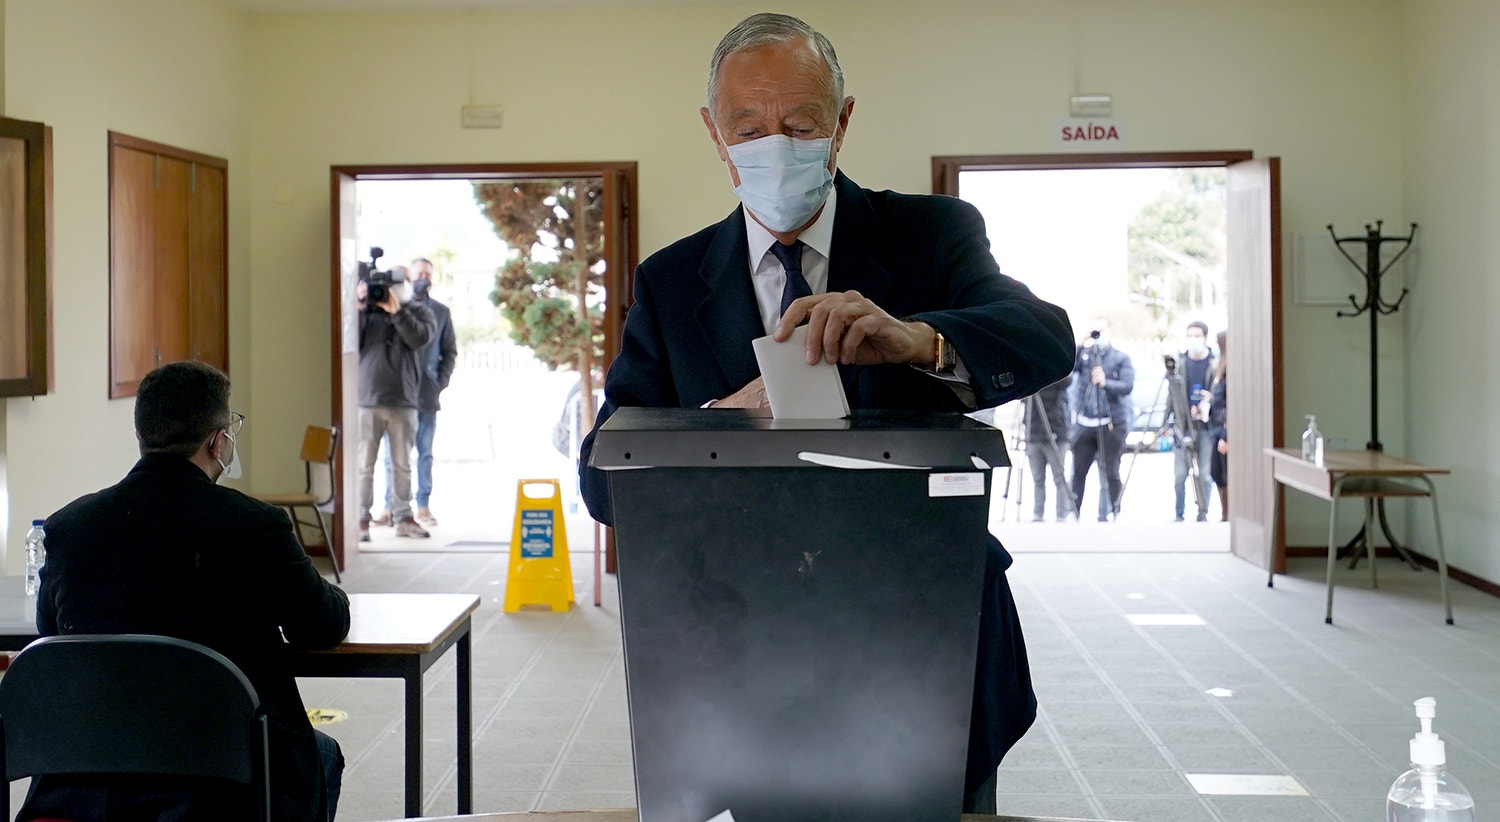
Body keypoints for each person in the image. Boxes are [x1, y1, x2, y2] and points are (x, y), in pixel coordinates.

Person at [576, 13, 1074, 812]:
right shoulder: (672, 282)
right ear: (715, 134)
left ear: (841, 123)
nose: (775, 144)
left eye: (801, 124)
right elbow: (604, 479)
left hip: (929, 634)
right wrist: (724, 417)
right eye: (749, 127)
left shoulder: (930, 236)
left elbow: (1042, 339)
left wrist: (916, 340)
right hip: (744, 648)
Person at [27, 360, 350, 822]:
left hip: (95, 776)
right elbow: (323, 624)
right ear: (218, 441)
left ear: (142, 437)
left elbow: (52, 637)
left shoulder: (68, 528)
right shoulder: (254, 525)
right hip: (230, 778)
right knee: (319, 755)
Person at [373, 257, 457, 527]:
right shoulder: (392, 306)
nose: (423, 277)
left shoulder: (441, 312)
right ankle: (390, 507)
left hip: (426, 395)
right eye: (418, 273)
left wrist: (439, 382)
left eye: (427, 274)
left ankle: (422, 506)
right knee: (393, 456)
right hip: (398, 393)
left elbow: (450, 351)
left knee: (424, 453)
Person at [357, 263, 436, 541]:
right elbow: (348, 339)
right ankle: (360, 520)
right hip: (367, 400)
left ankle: (403, 517)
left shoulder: (417, 311)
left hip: (404, 400)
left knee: (402, 465)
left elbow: (420, 338)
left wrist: (398, 312)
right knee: (364, 465)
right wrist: (358, 305)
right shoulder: (365, 312)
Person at [1069, 318, 1133, 521]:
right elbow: (1068, 366)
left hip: (1111, 423)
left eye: (1101, 331)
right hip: (1085, 421)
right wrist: (1081, 340)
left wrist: (1106, 383)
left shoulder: (1120, 358)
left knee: (1111, 471)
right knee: (1078, 471)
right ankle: (1074, 511)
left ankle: (1113, 511)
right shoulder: (1085, 355)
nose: (1098, 335)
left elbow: (1127, 386)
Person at [1170, 320, 1216, 522]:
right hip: (1183, 425)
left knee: (1205, 474)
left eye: (1198, 336)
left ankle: (1203, 513)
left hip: (1206, 426)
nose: (1194, 340)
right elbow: (1171, 395)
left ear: (1205, 337)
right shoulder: (1180, 363)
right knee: (1180, 475)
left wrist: (1209, 400)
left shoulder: (1214, 364)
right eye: (1191, 336)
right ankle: (1179, 514)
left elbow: (1221, 393)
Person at [1025, 376, 1072, 522]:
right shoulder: (1029, 383)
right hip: (1034, 433)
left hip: (1057, 433)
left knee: (1059, 477)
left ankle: (1061, 513)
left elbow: (1067, 379)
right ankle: (1038, 513)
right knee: (1038, 478)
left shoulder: (1058, 379)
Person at [1208, 329, 1229, 521]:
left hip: (1224, 430)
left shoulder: (1231, 370)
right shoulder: (1220, 368)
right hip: (1215, 427)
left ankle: (1228, 514)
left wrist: (1226, 435)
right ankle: (1225, 513)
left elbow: (1232, 405)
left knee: (1222, 473)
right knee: (1216, 472)